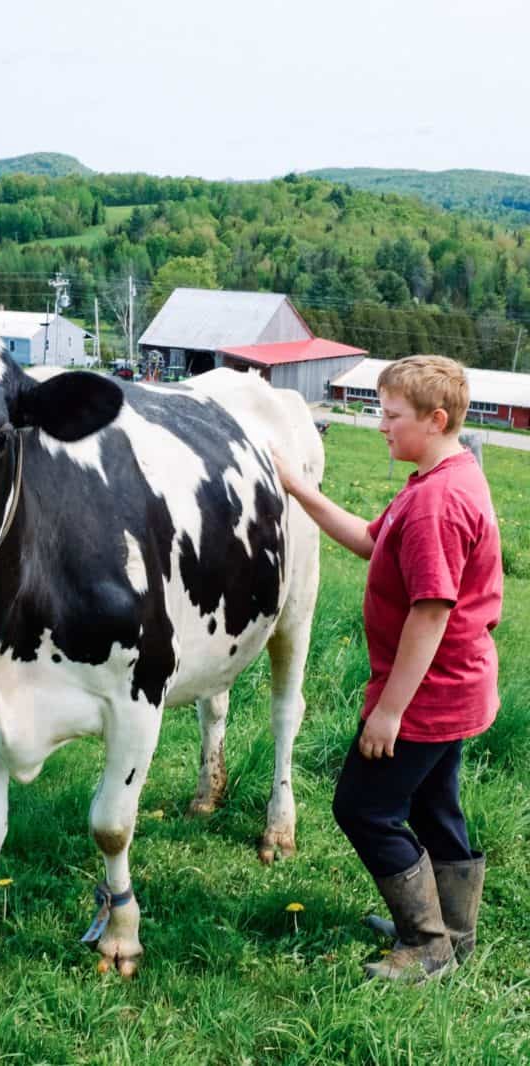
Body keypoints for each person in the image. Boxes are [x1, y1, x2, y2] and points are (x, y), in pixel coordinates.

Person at [274, 355, 502, 982]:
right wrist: (301, 490)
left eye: (391, 415)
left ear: (435, 419)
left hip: (427, 695)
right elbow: (374, 542)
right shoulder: (443, 477)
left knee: (363, 808)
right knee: (434, 809)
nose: (381, 425)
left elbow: (430, 615)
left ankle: (425, 942)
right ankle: (452, 933)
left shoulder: (437, 504)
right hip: (457, 688)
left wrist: (389, 712)